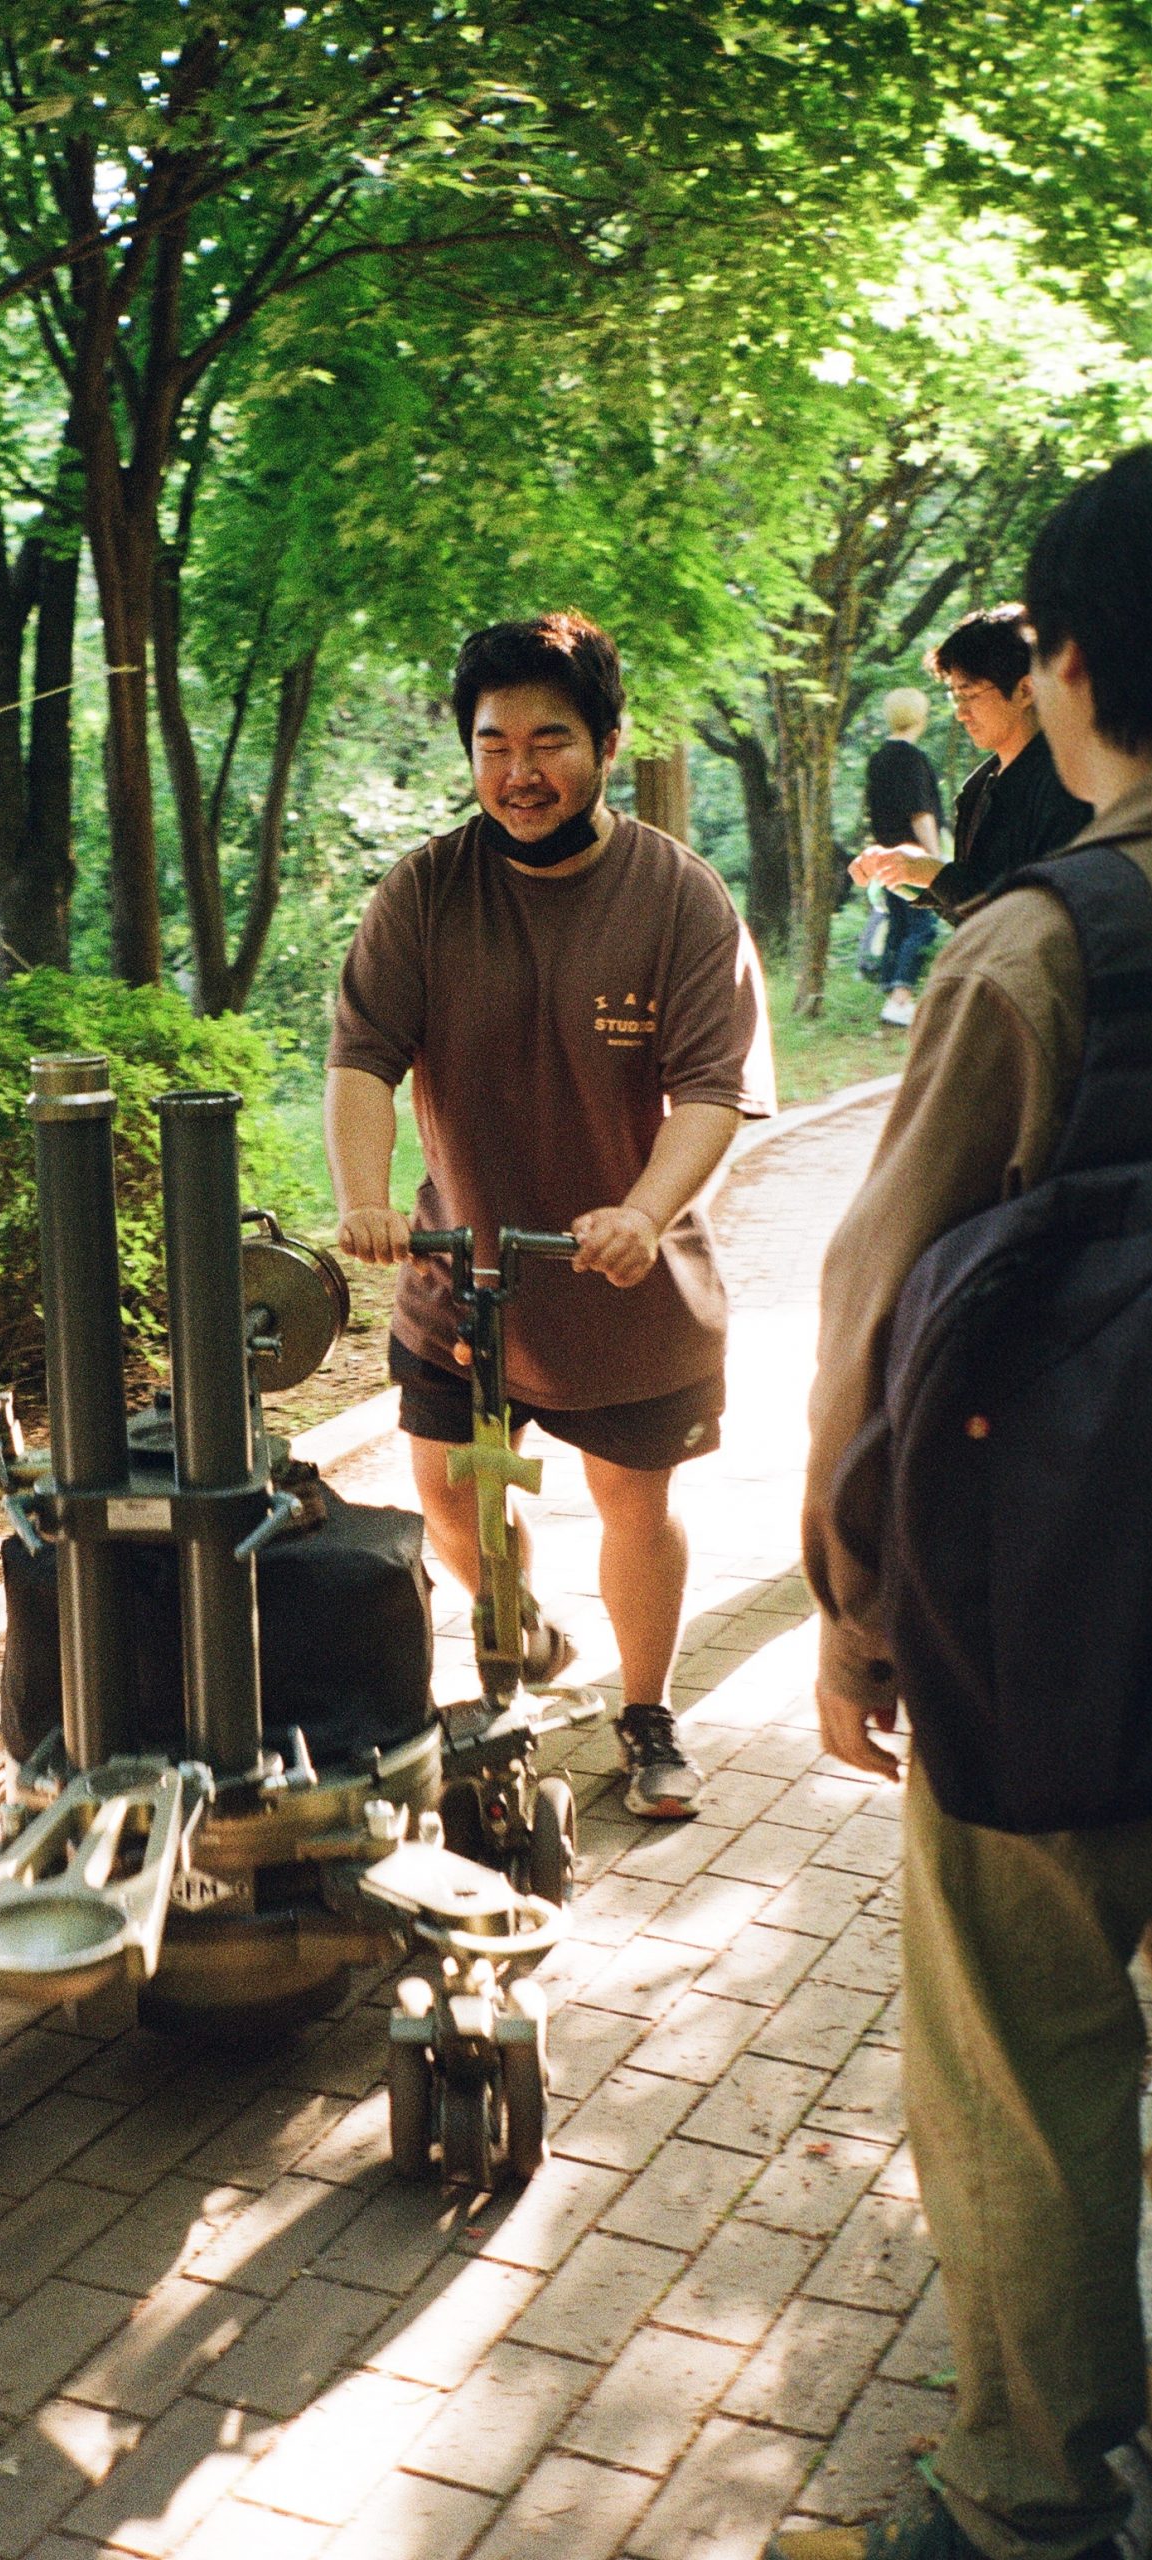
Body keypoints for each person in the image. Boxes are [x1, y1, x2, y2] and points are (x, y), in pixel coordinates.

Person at [778, 447, 1152, 2560]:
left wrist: (851, 1607)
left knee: (1020, 2047)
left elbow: (877, 1295)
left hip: (1063, 1609)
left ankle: (1026, 2494)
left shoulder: (1040, 948)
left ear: (1069, 665)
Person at [324, 612, 775, 1819]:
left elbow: (711, 1091)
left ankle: (647, 1712)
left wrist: (641, 1211)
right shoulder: (424, 890)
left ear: (607, 746)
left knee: (635, 1502)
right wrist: (363, 1198)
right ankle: (519, 1621)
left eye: (548, 742)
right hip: (460, 1279)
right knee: (447, 1496)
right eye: (493, 745)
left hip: (625, 1287)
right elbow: (361, 1058)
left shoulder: (678, 898)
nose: (518, 772)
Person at [852, 605, 1091, 932]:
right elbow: (972, 916)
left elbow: (1036, 918)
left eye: (970, 695)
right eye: (955, 697)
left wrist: (935, 874)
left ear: (1025, 690)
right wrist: (909, 872)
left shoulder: (1067, 784)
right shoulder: (980, 787)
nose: (961, 713)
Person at [861, 687, 945, 1027]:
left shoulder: (878, 759)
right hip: (913, 856)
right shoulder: (912, 759)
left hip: (885, 855)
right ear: (919, 717)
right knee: (922, 927)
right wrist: (935, 858)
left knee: (899, 924)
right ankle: (900, 1000)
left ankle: (890, 994)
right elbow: (920, 813)